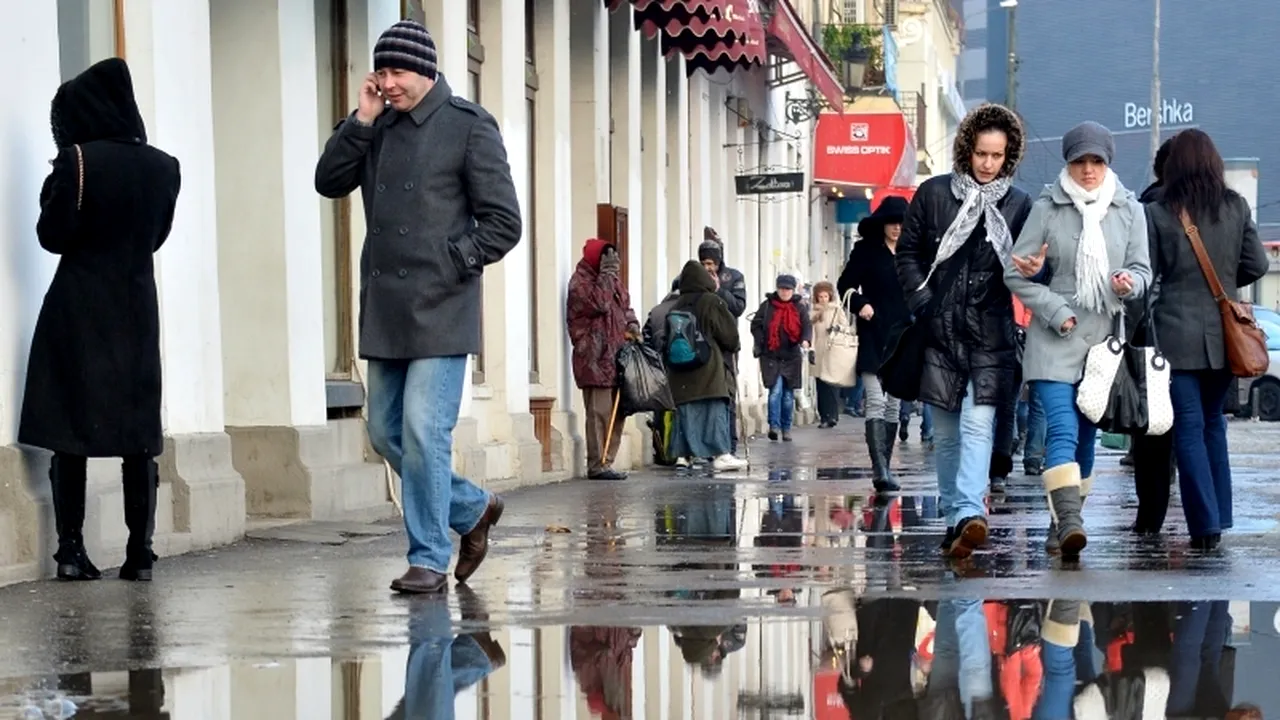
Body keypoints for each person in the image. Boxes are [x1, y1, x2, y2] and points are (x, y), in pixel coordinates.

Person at [314, 19, 521, 594]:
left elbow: (505, 222)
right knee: (384, 432)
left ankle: (428, 556)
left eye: (397, 72)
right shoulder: (374, 125)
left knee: (425, 433)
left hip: (442, 306)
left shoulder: (469, 126)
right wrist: (360, 119)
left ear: (426, 71)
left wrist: (452, 262)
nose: (388, 83)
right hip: (386, 307)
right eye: (381, 72)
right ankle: (474, 508)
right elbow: (328, 181)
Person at [20, 58, 181, 583]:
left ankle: (70, 551)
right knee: (139, 434)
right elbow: (156, 237)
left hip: (80, 305)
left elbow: (53, 236)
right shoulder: (164, 167)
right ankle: (140, 554)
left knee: (73, 428)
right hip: (136, 307)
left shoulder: (77, 162)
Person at [1007, 121, 1152, 558]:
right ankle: (1070, 522)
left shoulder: (1129, 209)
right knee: (1063, 429)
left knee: (1087, 435)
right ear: (1068, 163)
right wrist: (1055, 309)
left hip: (1103, 342)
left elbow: (1144, 271)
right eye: (1079, 161)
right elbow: (1014, 271)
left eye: (1096, 161)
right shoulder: (1047, 206)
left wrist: (1130, 283)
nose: (1088, 170)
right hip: (1055, 334)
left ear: (1107, 163)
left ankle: (1062, 522)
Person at [895, 103, 1034, 559]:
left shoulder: (1019, 204)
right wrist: (922, 303)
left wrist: (1035, 268)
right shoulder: (934, 194)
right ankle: (957, 516)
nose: (988, 164)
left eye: (997, 156)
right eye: (980, 154)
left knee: (979, 425)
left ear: (1009, 156)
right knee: (948, 434)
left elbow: (1031, 267)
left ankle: (972, 514)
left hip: (992, 330)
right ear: (966, 150)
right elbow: (908, 252)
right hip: (939, 331)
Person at [1146, 129, 1268, 550]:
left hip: (1174, 336)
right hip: (1223, 335)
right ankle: (1219, 516)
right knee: (1214, 425)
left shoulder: (1161, 212)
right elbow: (1257, 262)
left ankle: (1205, 525)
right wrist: (1227, 284)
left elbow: (1149, 273)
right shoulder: (1235, 206)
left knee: (1189, 430)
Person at [838, 196, 912, 491]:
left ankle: (885, 465)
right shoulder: (866, 251)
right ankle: (878, 467)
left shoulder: (912, 253)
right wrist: (860, 303)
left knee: (894, 404)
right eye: (892, 222)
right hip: (873, 330)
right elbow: (845, 284)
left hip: (904, 334)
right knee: (877, 401)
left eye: (902, 223)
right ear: (882, 224)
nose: (897, 228)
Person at [1129, 136, 1178, 535]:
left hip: (1153, 332)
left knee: (1151, 430)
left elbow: (1143, 273)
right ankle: (1207, 520)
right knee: (1195, 425)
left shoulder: (1149, 208)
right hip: (1200, 336)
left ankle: (1150, 517)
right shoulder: (1215, 206)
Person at [566, 238, 640, 481]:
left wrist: (632, 325)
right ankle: (597, 464)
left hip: (616, 357)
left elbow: (625, 307)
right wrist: (607, 276)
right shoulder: (580, 282)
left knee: (616, 413)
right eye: (606, 258)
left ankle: (608, 461)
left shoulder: (614, 283)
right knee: (599, 412)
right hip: (594, 357)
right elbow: (599, 303)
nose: (611, 264)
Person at [666, 261, 749, 471]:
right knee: (713, 409)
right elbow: (729, 336)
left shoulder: (676, 304)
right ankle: (721, 454)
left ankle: (683, 456)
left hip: (680, 370)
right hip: (708, 367)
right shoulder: (711, 301)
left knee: (685, 411)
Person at [751, 275, 813, 442]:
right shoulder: (767, 306)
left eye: (788, 289)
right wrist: (761, 340)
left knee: (788, 395)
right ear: (777, 289)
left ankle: (786, 428)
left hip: (792, 356)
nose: (784, 292)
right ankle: (774, 426)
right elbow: (755, 325)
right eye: (782, 288)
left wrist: (806, 340)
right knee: (775, 391)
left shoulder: (799, 307)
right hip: (771, 356)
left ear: (792, 291)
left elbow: (807, 326)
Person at [808, 281, 849, 429]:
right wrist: (810, 349)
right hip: (818, 351)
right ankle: (823, 416)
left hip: (833, 350)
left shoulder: (837, 310)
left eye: (826, 296)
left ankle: (833, 415)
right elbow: (810, 332)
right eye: (820, 296)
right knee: (821, 385)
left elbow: (846, 327)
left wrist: (836, 327)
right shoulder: (813, 312)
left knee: (832, 383)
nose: (823, 299)